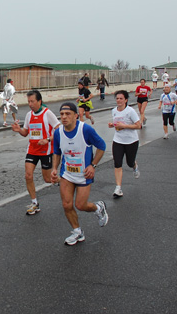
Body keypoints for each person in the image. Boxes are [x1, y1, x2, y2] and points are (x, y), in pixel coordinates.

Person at [51, 102, 108, 246]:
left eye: (68, 114)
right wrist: (54, 169)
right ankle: (77, 232)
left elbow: (102, 146)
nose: (64, 117)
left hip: (84, 174)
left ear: (76, 116)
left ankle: (98, 207)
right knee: (66, 204)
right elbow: (57, 152)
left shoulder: (86, 130)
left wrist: (93, 165)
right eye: (62, 114)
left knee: (81, 205)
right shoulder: (58, 133)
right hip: (67, 174)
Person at [11, 90, 61, 215]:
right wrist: (19, 130)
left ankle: (65, 181)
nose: (30, 104)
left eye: (32, 101)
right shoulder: (29, 115)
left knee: (48, 179)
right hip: (32, 150)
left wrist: (48, 139)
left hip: (46, 150)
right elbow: (25, 133)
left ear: (39, 101)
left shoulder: (47, 113)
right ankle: (34, 203)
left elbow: (59, 130)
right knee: (28, 175)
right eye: (28, 101)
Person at [108, 90, 141, 198]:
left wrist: (125, 126)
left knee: (129, 162)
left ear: (126, 100)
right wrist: (112, 125)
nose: (119, 100)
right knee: (117, 163)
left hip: (131, 141)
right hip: (118, 140)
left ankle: (134, 165)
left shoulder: (130, 111)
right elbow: (117, 124)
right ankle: (118, 188)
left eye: (121, 98)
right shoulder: (114, 111)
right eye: (117, 98)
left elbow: (138, 125)